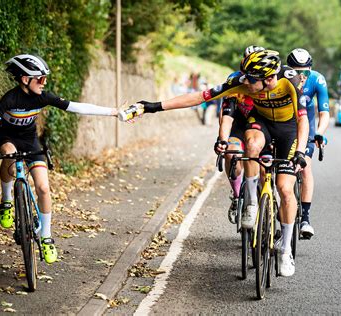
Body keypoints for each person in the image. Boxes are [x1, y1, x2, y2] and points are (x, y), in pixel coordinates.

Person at [131, 50, 309, 277]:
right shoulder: (241, 82)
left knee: (285, 188)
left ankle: (285, 250)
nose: (245, 81)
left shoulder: (290, 80)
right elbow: (199, 97)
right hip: (261, 122)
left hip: (289, 130)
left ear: (268, 78)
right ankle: (253, 204)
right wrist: (154, 106)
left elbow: (303, 120)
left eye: (250, 79)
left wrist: (301, 151)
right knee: (251, 145)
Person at [0, 54, 118, 264]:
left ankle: (46, 237)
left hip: (31, 141)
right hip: (9, 139)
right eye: (40, 79)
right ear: (25, 79)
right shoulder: (10, 98)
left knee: (43, 188)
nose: (44, 83)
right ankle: (7, 201)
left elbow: (77, 107)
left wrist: (114, 112)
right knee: (8, 154)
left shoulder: (43, 97)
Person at [214, 45, 265, 223]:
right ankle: (236, 196)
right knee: (231, 154)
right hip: (239, 123)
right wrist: (222, 140)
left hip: (263, 125)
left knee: (267, 167)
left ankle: (271, 207)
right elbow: (226, 115)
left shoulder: (269, 81)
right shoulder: (235, 80)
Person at [286, 48, 329, 239]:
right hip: (285, 123)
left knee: (305, 166)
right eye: (296, 72)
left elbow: (324, 112)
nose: (301, 76)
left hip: (308, 124)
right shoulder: (282, 78)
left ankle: (305, 217)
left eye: (305, 72)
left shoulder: (317, 79)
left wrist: (319, 132)